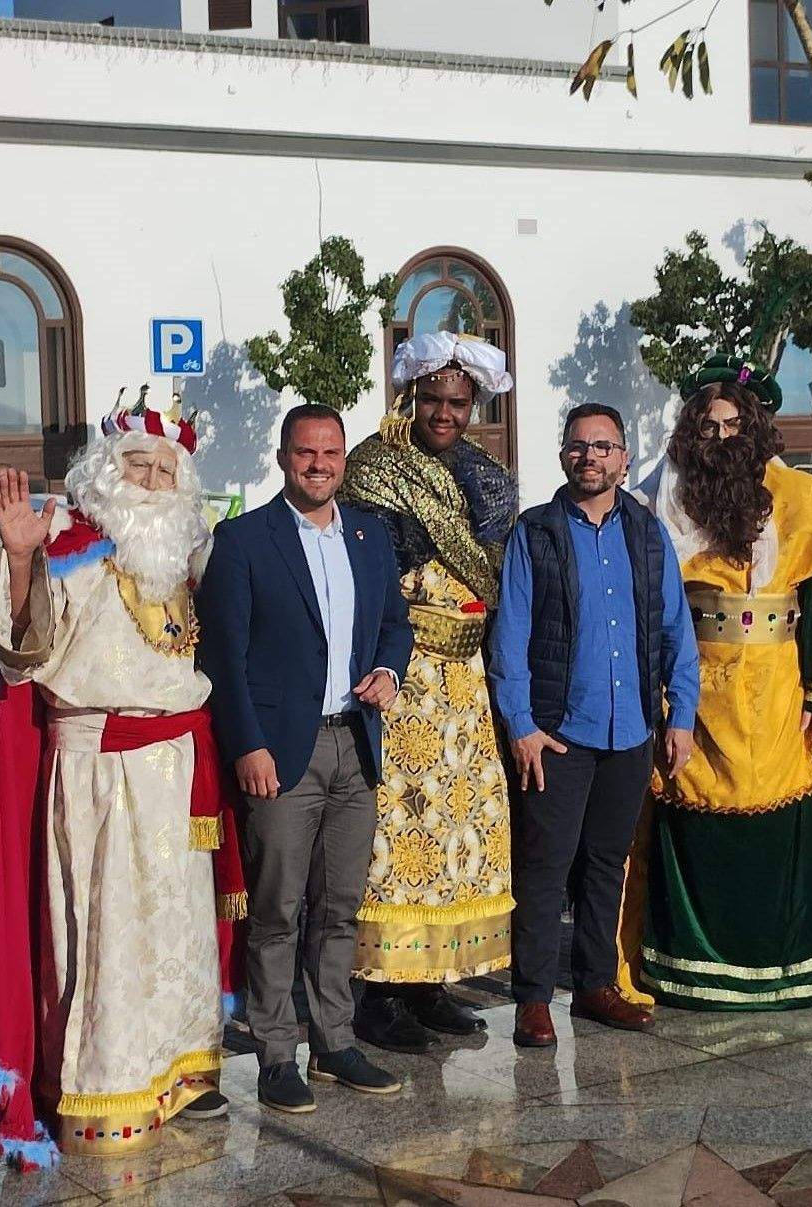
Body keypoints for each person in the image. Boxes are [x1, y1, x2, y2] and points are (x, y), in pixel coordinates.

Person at [0, 401, 246, 1167]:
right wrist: (24, 560)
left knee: (177, 932)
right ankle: (109, 1087)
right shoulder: (69, 548)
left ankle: (178, 1073)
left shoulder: (180, 560)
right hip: (103, 771)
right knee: (109, 936)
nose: (155, 481)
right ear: (107, 472)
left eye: (168, 470)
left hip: (177, 773)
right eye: (140, 465)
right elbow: (21, 656)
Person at [622, 357, 812, 1013]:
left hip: (777, 693)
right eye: (706, 426)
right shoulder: (657, 504)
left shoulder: (809, 502)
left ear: (753, 429)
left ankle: (774, 969)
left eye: (731, 424)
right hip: (694, 689)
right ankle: (686, 969)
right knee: (690, 810)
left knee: (774, 816)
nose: (720, 438)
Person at [197, 403, 413, 1115]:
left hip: (354, 742)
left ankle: (334, 1040)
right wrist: (247, 745)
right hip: (281, 752)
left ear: (342, 458)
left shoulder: (369, 535)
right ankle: (274, 1054)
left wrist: (389, 668)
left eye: (330, 453)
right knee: (276, 910)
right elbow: (221, 658)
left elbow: (394, 624)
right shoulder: (243, 540)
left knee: (340, 907)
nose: (319, 464)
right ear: (283, 456)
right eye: (305, 453)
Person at [488, 403, 699, 1048]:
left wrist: (680, 715)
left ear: (624, 458)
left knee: (609, 863)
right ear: (563, 457)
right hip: (557, 734)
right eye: (580, 447)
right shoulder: (536, 533)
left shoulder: (646, 531)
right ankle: (531, 998)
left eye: (604, 447)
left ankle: (594, 984)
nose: (591, 457)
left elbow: (674, 629)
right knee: (546, 867)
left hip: (631, 729)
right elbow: (511, 638)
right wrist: (521, 725)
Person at [337, 332, 519, 1053]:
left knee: (455, 834)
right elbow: (369, 566)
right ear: (412, 396)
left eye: (457, 402)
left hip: (465, 681)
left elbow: (497, 569)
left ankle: (431, 983)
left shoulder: (487, 476)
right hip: (403, 676)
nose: (444, 413)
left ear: (472, 404)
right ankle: (380, 994)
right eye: (433, 400)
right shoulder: (375, 466)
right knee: (400, 835)